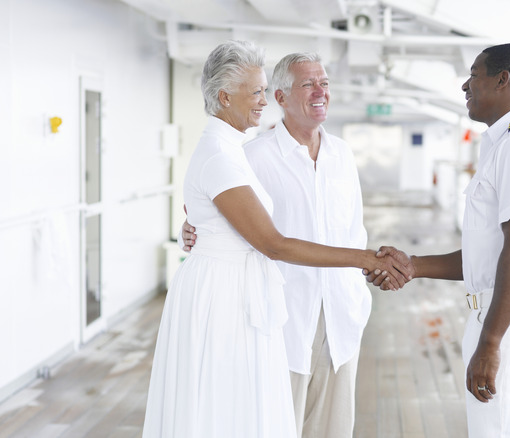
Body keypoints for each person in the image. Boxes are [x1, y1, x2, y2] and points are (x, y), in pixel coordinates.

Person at [142, 41, 410, 438]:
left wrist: (364, 276)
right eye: (307, 84)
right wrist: (193, 227)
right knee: (269, 421)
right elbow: (252, 230)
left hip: (341, 313)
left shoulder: (342, 155)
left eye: (324, 82)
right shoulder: (251, 154)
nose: (320, 91)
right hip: (285, 314)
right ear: (283, 97)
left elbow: (353, 227)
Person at [366, 43, 510, 438]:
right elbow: (491, 252)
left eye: (474, 75)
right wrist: (413, 265)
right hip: (505, 311)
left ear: (502, 80)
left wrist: (491, 343)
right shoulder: (503, 145)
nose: (465, 85)